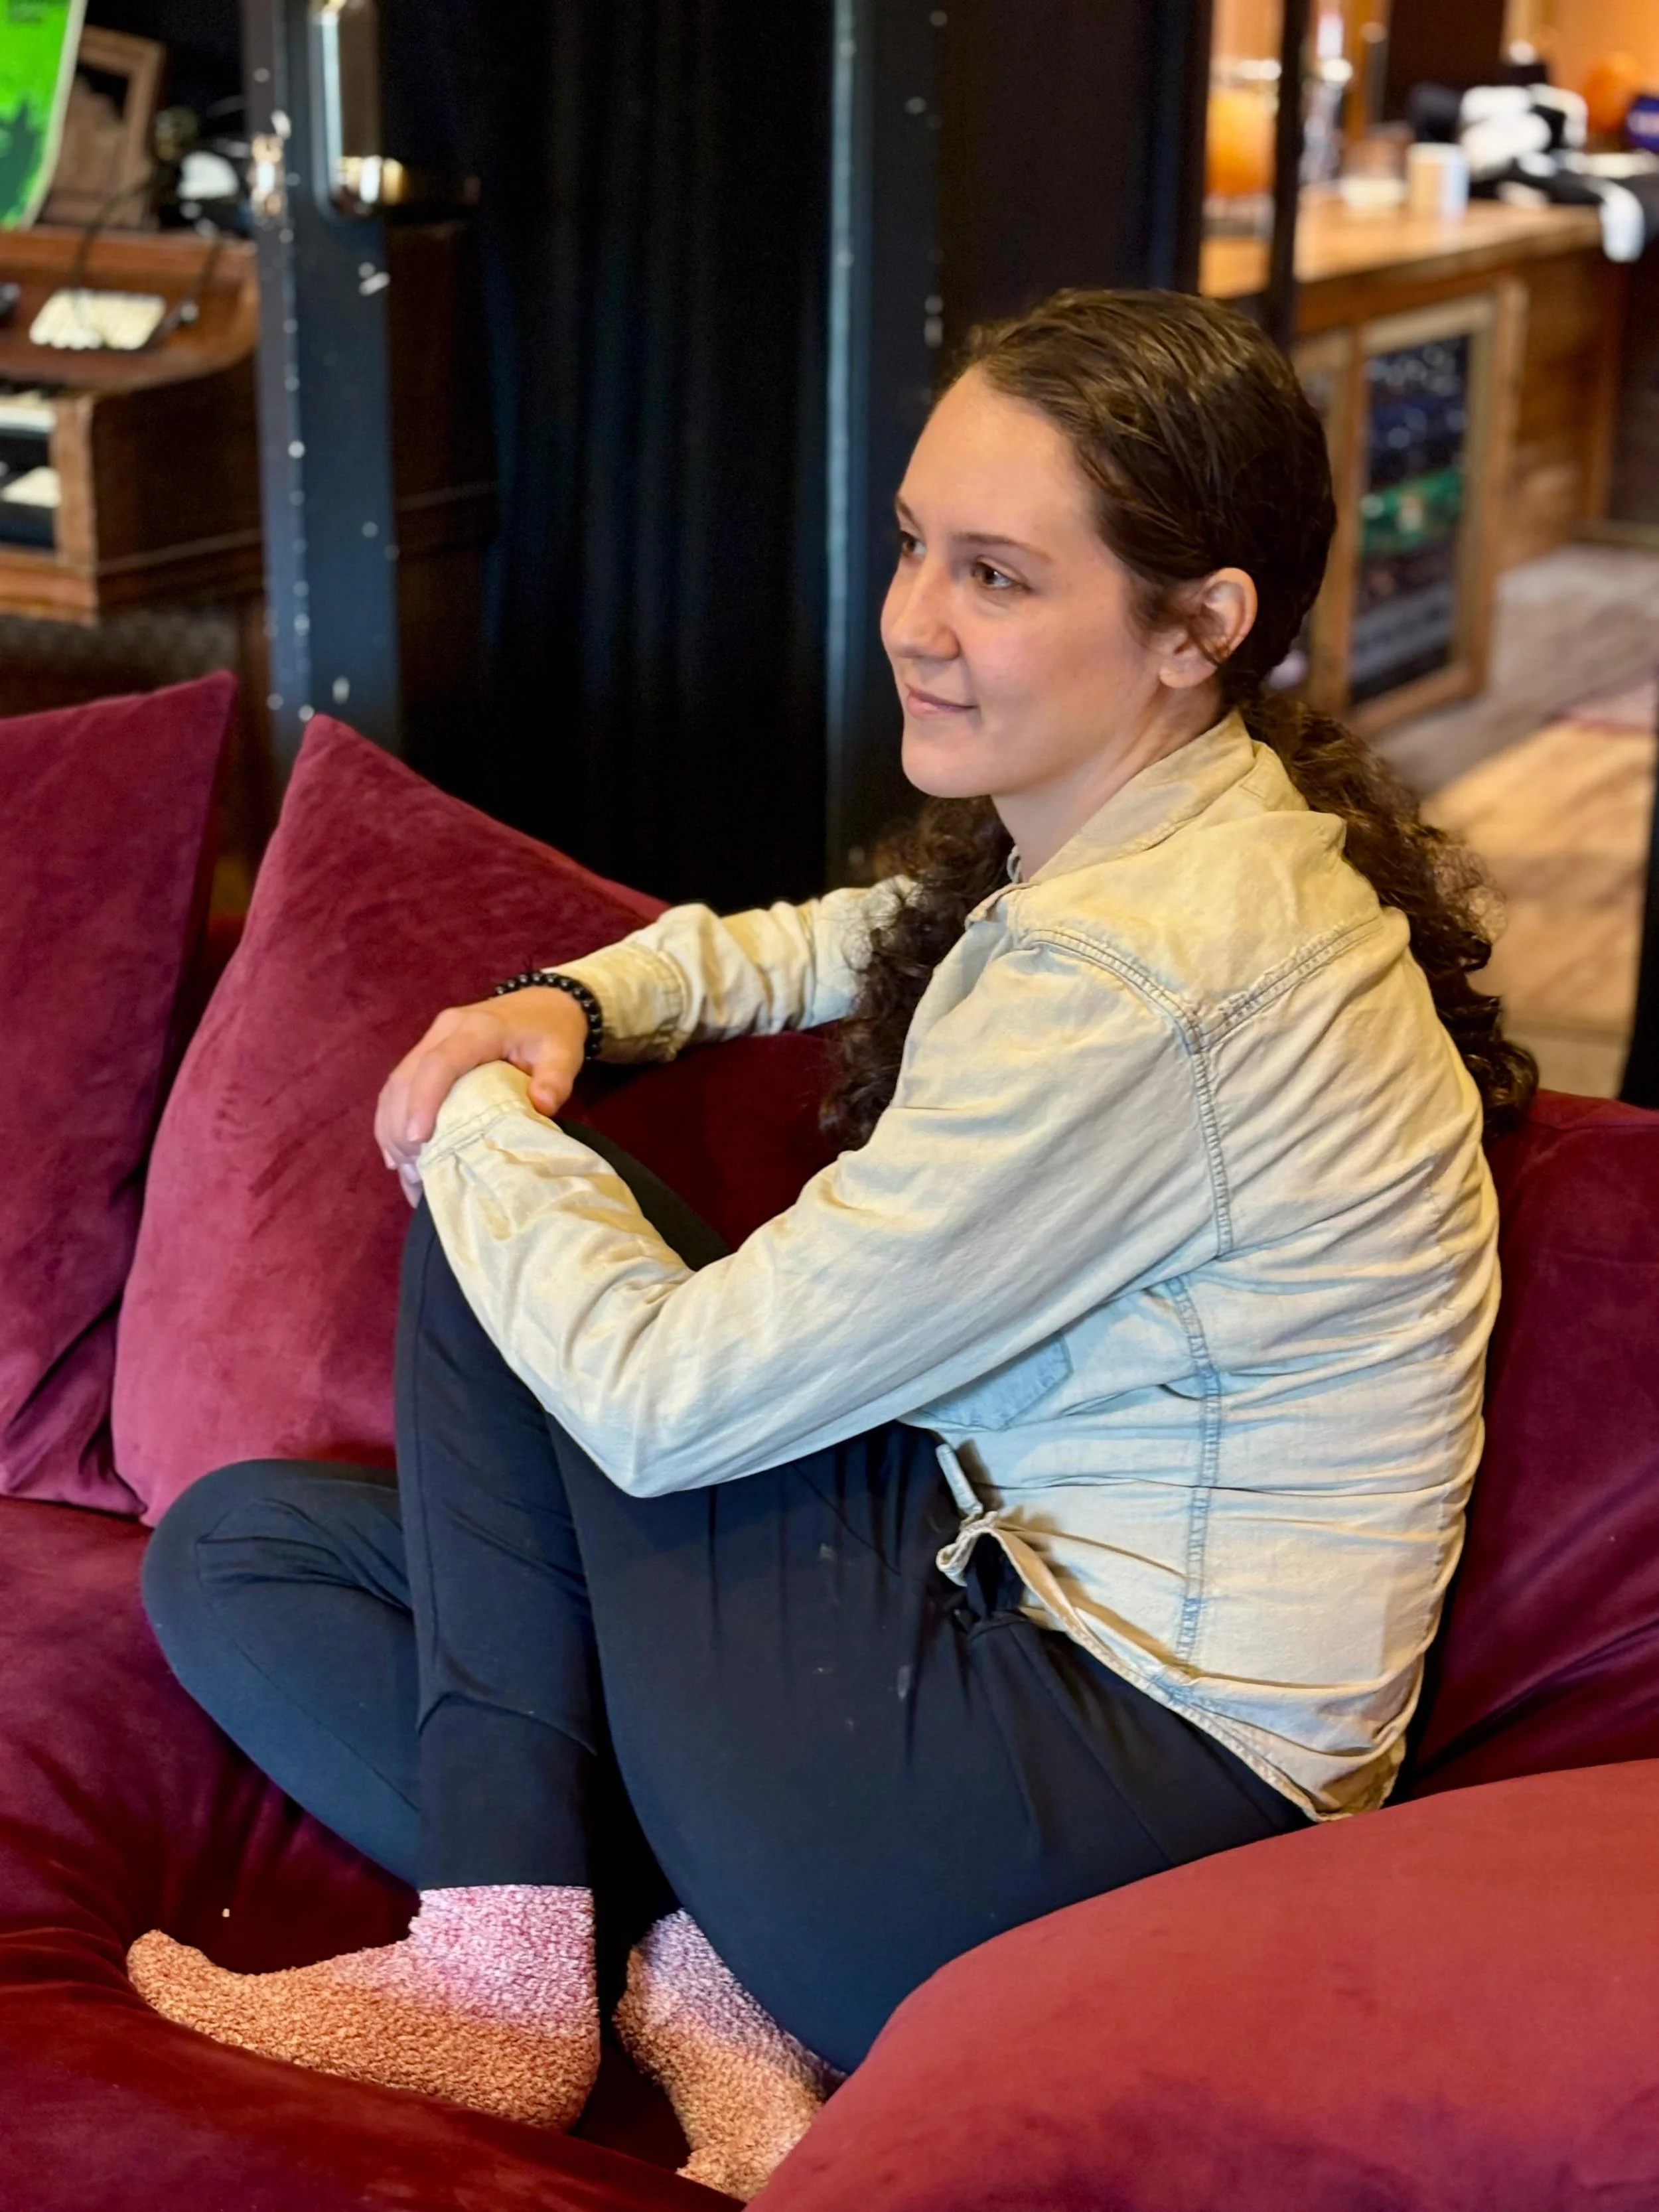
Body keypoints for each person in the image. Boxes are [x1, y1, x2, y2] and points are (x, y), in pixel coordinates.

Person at [127, 288, 1533, 2199]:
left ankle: (518, 1967)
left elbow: (655, 1394)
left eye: (994, 574)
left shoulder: (1145, 967)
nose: (911, 620)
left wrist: (469, 1114)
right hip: (970, 1664)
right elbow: (839, 934)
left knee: (506, 1245)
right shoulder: (1147, 835)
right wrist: (571, 998)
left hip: (1095, 1793)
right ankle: (691, 1965)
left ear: (1199, 625)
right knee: (241, 1556)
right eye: (908, 544)